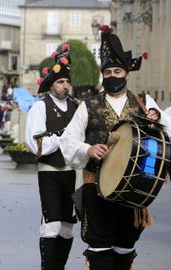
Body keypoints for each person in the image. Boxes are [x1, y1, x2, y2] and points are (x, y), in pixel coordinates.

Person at [60, 25, 171, 270]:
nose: (112, 75)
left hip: (134, 189)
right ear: (103, 75)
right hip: (96, 186)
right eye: (108, 71)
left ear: (127, 73)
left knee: (124, 248)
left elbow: (166, 135)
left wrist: (158, 118)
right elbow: (68, 140)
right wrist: (87, 149)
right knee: (99, 249)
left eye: (117, 71)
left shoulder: (143, 102)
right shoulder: (88, 105)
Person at [25, 44, 77, 270]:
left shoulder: (77, 106)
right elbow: (35, 144)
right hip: (50, 173)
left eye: (67, 82)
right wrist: (63, 138)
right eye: (60, 82)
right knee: (52, 225)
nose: (65, 86)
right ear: (51, 85)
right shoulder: (40, 107)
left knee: (67, 228)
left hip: (73, 174)